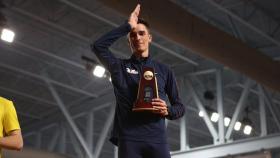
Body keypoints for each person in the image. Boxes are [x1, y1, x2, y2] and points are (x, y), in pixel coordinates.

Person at [91, 4, 185, 158]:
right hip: (129, 139)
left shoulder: (164, 71)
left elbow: (180, 107)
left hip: (157, 139)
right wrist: (127, 26)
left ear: (150, 37)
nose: (137, 38)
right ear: (129, 41)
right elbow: (97, 46)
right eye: (133, 35)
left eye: (142, 33)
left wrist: (167, 110)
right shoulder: (119, 67)